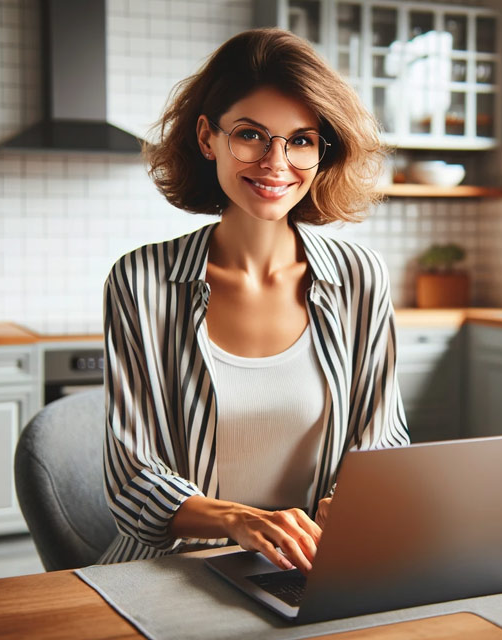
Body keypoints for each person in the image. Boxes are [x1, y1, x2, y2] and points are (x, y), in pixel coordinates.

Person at [98, 28, 409, 574]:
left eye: (302, 140)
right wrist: (235, 520)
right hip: (170, 573)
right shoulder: (140, 281)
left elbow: (382, 436)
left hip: (312, 570)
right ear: (207, 138)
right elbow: (131, 478)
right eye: (251, 135)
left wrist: (354, 501)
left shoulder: (362, 277)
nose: (275, 162)